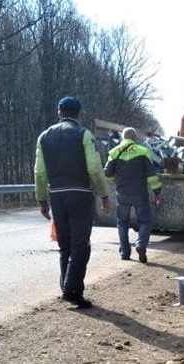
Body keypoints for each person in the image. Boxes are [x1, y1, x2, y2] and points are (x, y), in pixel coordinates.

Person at [34, 96, 111, 309]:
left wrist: (42, 200)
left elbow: (39, 173)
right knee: (80, 245)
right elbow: (95, 168)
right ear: (78, 114)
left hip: (57, 195)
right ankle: (71, 289)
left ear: (59, 112)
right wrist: (105, 195)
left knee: (65, 246)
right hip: (80, 194)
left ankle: (71, 290)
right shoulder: (83, 134)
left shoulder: (44, 136)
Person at [104, 127, 162, 263]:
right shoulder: (142, 151)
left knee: (122, 223)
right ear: (135, 138)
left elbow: (107, 173)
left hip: (122, 193)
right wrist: (157, 192)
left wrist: (115, 181)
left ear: (123, 138)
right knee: (144, 221)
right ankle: (141, 245)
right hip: (140, 193)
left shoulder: (114, 152)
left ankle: (125, 253)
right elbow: (151, 175)